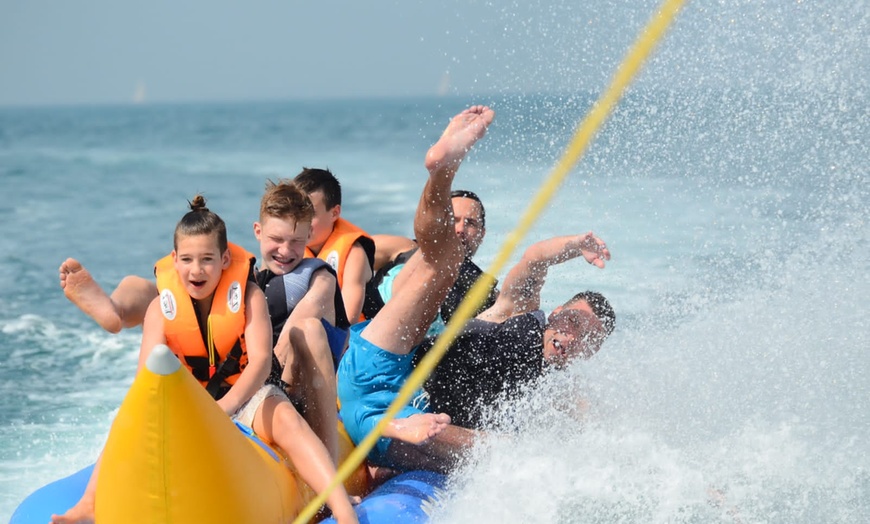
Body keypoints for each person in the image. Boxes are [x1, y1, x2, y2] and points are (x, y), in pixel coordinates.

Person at [336, 105, 615, 474]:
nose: (570, 333)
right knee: (442, 261)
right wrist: (574, 244)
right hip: (387, 368)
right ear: (557, 310)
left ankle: (443, 168)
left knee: (500, 454)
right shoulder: (520, 311)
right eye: (571, 319)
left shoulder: (557, 392)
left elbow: (594, 434)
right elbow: (534, 260)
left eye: (586, 336)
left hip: (404, 403)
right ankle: (443, 168)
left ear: (590, 353)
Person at [52, 196, 357, 524]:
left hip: (246, 395)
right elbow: (145, 379)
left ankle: (342, 510)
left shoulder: (249, 296)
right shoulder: (160, 309)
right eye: (187, 259)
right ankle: (86, 506)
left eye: (207, 260)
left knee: (285, 420)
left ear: (225, 259)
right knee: (122, 422)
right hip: (191, 400)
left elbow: (259, 364)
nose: (196, 270)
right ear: (174, 260)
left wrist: (224, 408)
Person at [252, 179, 351, 465]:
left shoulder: (320, 277)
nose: (285, 250)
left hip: (303, 394)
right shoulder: (250, 283)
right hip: (261, 393)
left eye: (296, 241)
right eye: (276, 239)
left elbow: (292, 333)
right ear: (258, 231)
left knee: (306, 329)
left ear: (309, 234)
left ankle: (330, 468)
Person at [363, 189, 500, 334]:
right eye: (453, 220)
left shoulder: (487, 294)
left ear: (482, 234)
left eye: (471, 223)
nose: (461, 229)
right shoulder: (403, 249)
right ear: (438, 223)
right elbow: (349, 253)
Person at [293, 168, 376, 324]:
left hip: (354, 336)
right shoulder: (285, 247)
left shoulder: (354, 253)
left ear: (334, 213)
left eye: (310, 214)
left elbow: (348, 319)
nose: (301, 222)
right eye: (297, 213)